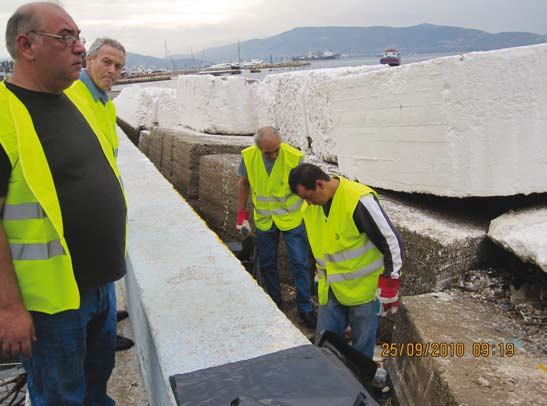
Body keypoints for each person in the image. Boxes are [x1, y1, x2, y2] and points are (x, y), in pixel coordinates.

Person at [0, 3, 127, 404]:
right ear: (26, 45)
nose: (79, 48)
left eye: (79, 37)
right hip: (50, 307)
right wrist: (9, 309)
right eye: (66, 38)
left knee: (95, 388)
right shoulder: (5, 114)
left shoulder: (75, 99)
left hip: (99, 288)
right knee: (60, 397)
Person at [288, 163, 403, 359]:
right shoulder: (312, 208)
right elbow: (319, 243)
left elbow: (391, 241)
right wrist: (316, 273)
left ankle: (359, 384)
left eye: (308, 197)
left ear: (320, 184)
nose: (307, 203)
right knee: (325, 342)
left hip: (363, 291)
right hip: (330, 287)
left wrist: (390, 285)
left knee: (361, 349)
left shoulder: (357, 200)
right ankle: (329, 380)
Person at [65, 37, 134, 352]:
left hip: (103, 221)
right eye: (106, 62)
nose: (112, 70)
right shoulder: (71, 96)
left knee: (103, 284)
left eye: (118, 66)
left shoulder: (104, 104)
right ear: (88, 60)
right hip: (80, 222)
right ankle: (101, 330)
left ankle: (105, 323)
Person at [237, 126, 316, 327]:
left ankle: (305, 307)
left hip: (291, 219)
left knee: (299, 262)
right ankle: (274, 301)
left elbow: (307, 192)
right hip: (265, 220)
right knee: (266, 263)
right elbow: (243, 184)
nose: (273, 155)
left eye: (276, 150)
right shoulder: (249, 157)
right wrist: (241, 216)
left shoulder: (293, 157)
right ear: (258, 148)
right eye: (268, 152)